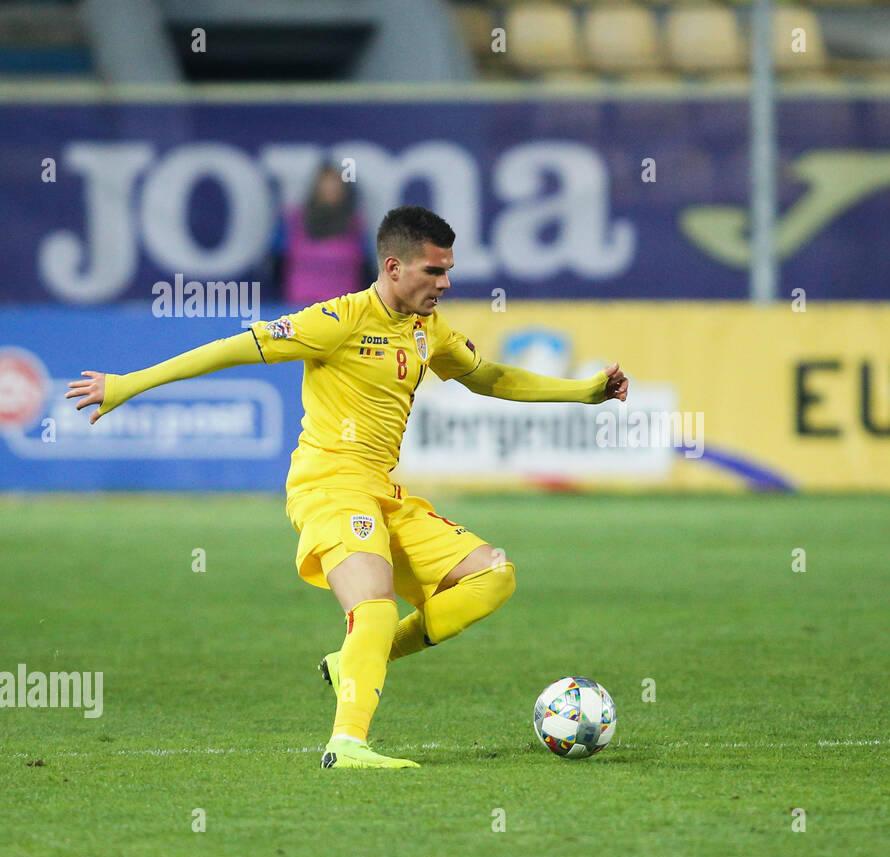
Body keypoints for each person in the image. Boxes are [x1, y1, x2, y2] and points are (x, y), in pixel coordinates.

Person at [66, 205, 629, 769]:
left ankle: (354, 660)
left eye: (448, 270)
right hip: (330, 487)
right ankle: (347, 744)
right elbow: (233, 348)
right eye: (434, 271)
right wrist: (128, 384)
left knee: (493, 577)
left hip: (382, 493)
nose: (446, 282)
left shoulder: (426, 328)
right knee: (375, 605)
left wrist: (586, 392)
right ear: (393, 266)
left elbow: (492, 377)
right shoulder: (336, 320)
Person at [272, 162, 371, 306]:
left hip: (344, 311)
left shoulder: (356, 223)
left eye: (335, 184)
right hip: (299, 310)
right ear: (315, 187)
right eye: (325, 184)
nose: (330, 189)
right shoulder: (294, 219)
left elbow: (367, 269)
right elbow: (277, 265)